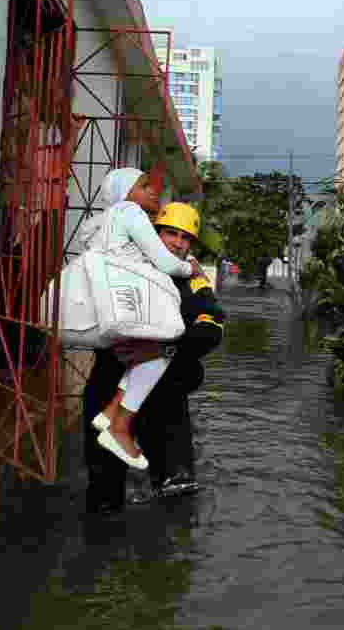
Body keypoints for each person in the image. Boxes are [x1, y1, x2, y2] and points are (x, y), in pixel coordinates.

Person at [83, 202, 226, 514]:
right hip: (110, 384)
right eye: (170, 233)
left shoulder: (193, 278)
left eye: (185, 237)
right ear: (154, 233)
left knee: (176, 497)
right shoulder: (125, 266)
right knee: (104, 495)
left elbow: (211, 328)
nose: (177, 242)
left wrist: (166, 350)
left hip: (165, 397)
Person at [77, 168, 202, 469]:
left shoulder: (101, 224)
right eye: (144, 185)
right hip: (122, 325)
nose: (153, 190)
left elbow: (208, 333)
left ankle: (111, 414)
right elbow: (162, 260)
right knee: (157, 354)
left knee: (151, 355)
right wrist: (191, 269)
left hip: (111, 320)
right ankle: (118, 426)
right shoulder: (131, 214)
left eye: (185, 237)